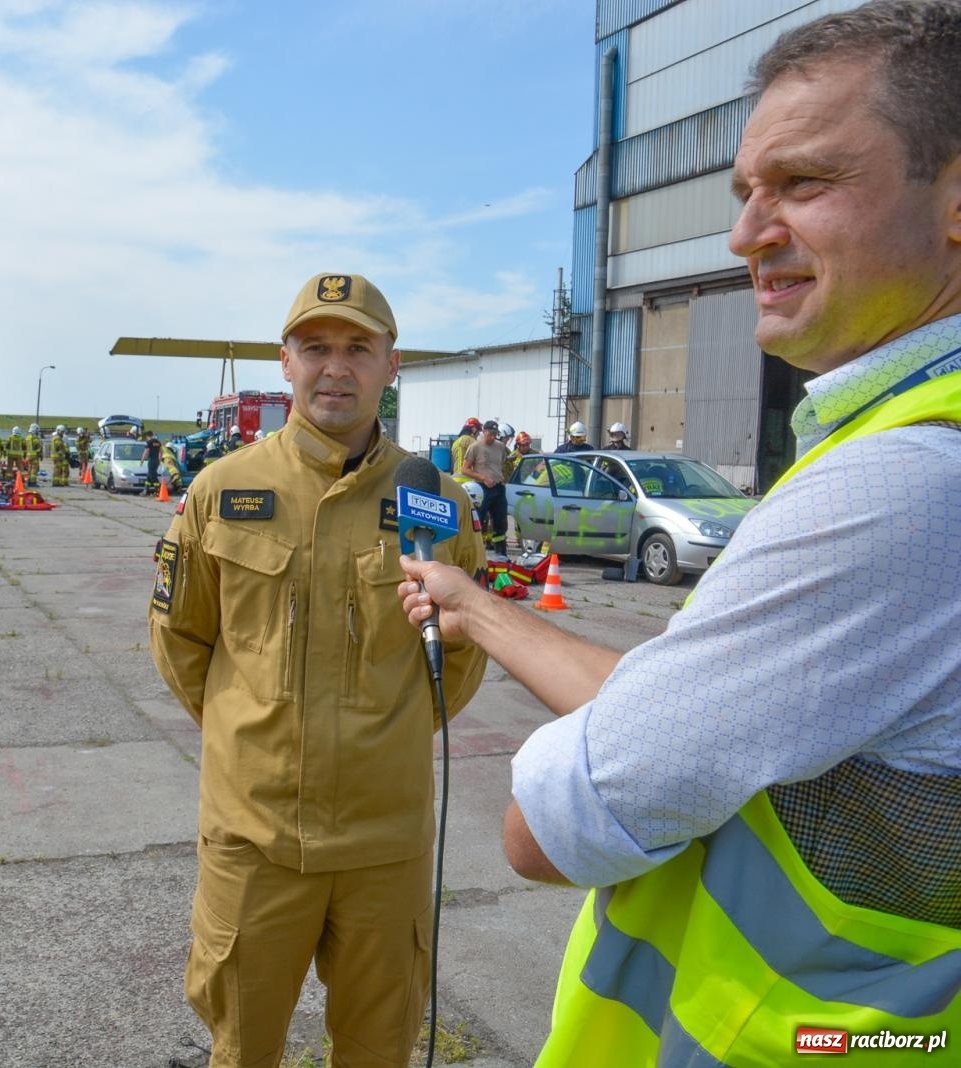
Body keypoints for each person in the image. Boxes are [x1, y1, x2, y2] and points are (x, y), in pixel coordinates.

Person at [398, 5, 961, 1061]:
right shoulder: (896, 441)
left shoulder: (905, 485)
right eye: (745, 192)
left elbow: (549, 826)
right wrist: (478, 608)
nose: (747, 234)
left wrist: (645, 734)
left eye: (803, 184)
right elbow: (702, 707)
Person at [151, 272, 487, 1066]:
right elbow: (182, 643)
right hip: (255, 841)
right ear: (285, 362)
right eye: (316, 348)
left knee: (379, 1050)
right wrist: (257, 732)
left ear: (390, 366)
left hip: (386, 843)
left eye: (357, 349)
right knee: (242, 1049)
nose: (335, 367)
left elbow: (463, 649)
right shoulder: (222, 489)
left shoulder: (437, 500)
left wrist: (389, 727)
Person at [459, 420, 509, 556]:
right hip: (481, 489)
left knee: (500, 522)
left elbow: (502, 464)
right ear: (484, 431)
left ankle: (501, 554)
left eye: (495, 434)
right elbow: (465, 469)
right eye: (490, 434)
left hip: (498, 488)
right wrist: (483, 478)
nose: (493, 437)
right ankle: (475, 553)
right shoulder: (475, 447)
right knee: (478, 522)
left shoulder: (500, 447)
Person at [141, 431, 163, 495]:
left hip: (151, 460)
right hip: (156, 460)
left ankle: (158, 490)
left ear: (147, 436)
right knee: (149, 475)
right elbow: (161, 452)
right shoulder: (158, 442)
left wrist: (142, 460)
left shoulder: (149, 442)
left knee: (153, 475)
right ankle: (145, 490)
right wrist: (159, 460)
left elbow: (146, 452)